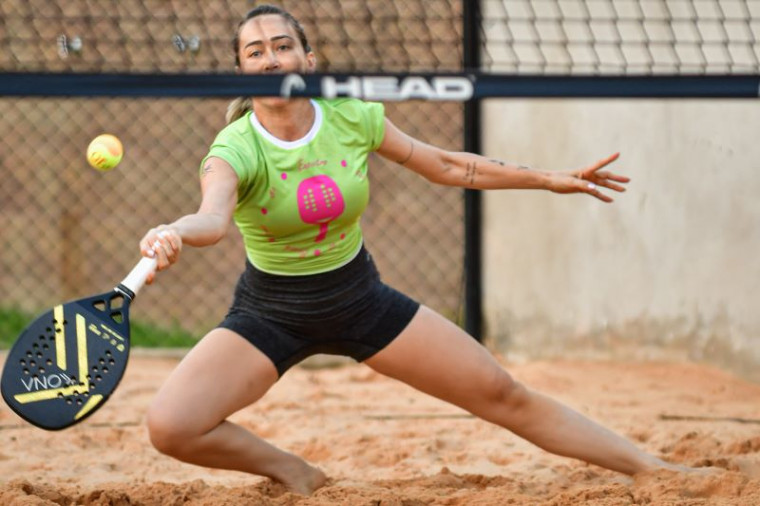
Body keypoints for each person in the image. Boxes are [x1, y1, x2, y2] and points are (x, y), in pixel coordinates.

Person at [139, 4, 698, 496]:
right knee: (170, 425)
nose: (270, 60)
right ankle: (293, 471)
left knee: (502, 393)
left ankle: (652, 467)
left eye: (282, 46)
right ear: (240, 70)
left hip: (359, 297)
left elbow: (449, 166)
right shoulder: (236, 147)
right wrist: (175, 232)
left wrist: (547, 178)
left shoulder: (352, 116)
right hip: (271, 311)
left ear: (309, 60)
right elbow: (212, 217)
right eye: (255, 52)